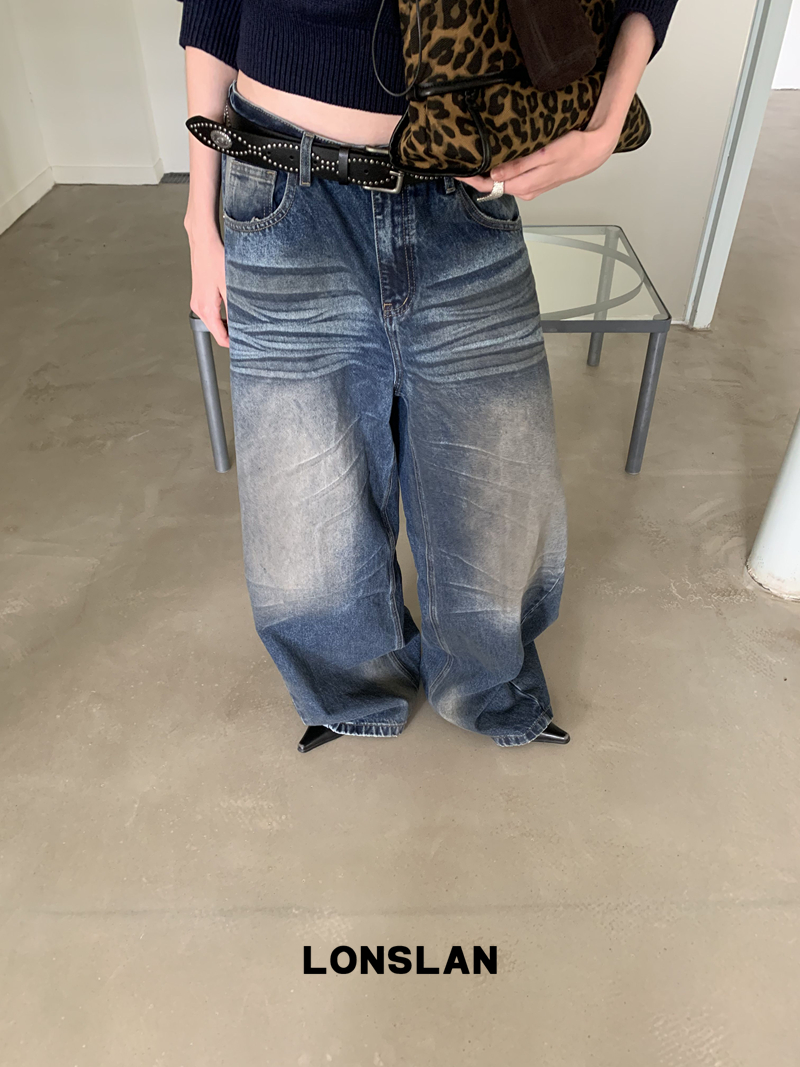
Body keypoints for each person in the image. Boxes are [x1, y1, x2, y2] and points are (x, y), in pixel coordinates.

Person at [178, 0, 678, 750]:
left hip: (463, 191)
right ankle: (349, 689)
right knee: (302, 507)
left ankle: (488, 683)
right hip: (283, 183)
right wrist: (200, 215)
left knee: (500, 494)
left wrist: (608, 120)